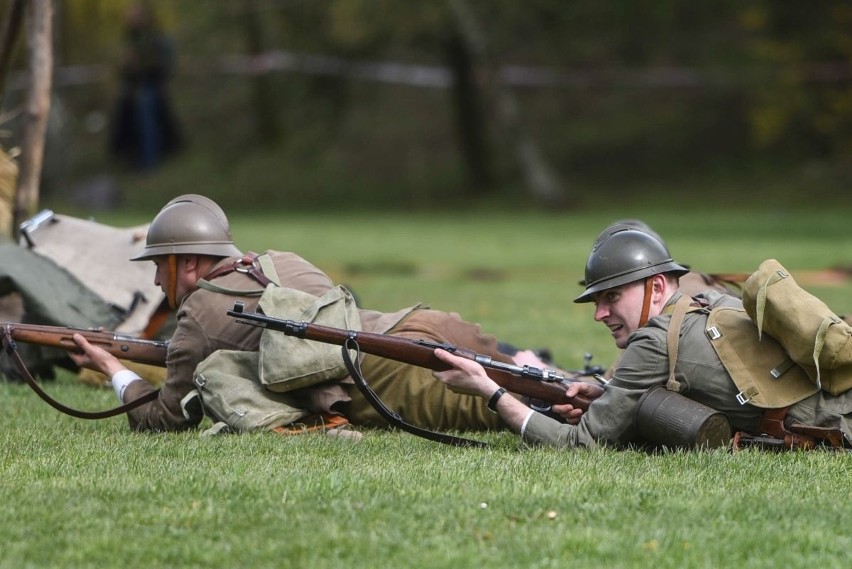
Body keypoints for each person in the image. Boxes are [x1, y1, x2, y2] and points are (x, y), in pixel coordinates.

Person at [67, 194, 545, 434]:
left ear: (187, 262)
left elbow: (162, 418)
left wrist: (111, 367)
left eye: (160, 266)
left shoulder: (199, 317)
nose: (156, 281)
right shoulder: (281, 260)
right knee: (539, 382)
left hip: (399, 375)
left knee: (541, 411)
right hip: (421, 324)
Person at [433, 226, 852, 449]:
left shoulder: (651, 342)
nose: (599, 314)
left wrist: (490, 392)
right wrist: (604, 390)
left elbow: (580, 446)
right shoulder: (710, 299)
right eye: (596, 300)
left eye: (612, 296)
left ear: (655, 287)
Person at [108, 2, 182, 170]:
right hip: (133, 86)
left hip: (150, 85)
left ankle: (150, 161)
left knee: (148, 121)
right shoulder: (129, 37)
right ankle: (132, 157)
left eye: (134, 15)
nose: (131, 18)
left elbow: (161, 63)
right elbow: (123, 66)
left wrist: (140, 65)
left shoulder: (153, 37)